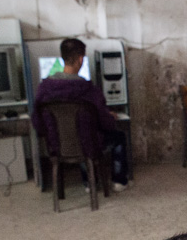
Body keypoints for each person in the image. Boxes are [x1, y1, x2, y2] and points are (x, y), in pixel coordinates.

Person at [31, 38, 129, 191]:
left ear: (62, 57)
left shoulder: (44, 89)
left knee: (79, 134)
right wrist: (110, 116)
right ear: (80, 59)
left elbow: (37, 122)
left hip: (58, 146)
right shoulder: (89, 90)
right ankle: (119, 182)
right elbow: (106, 124)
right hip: (87, 145)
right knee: (116, 137)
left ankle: (89, 183)